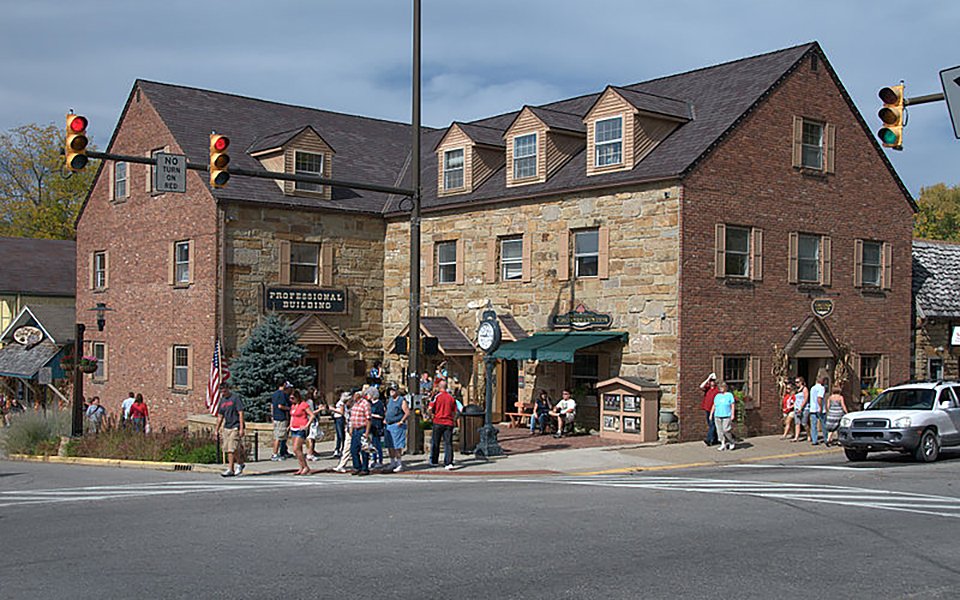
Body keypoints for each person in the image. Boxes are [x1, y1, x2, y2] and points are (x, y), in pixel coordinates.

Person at [216, 382, 246, 477]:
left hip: (235, 426)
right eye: (221, 392)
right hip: (227, 427)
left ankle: (230, 469)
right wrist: (216, 429)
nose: (223, 393)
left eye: (224, 391)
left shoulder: (235, 399)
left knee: (231, 449)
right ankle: (240, 463)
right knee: (231, 448)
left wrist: (241, 428)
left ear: (228, 389)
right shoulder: (222, 401)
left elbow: (241, 413)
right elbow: (220, 416)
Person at [428, 379, 458, 470]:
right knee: (448, 443)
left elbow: (430, 408)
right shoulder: (451, 397)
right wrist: (453, 419)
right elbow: (455, 411)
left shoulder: (436, 396)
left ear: (439, 387)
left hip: (438, 421)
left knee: (436, 442)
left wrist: (431, 416)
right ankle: (449, 462)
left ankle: (434, 460)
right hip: (448, 422)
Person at [289, 389, 316, 476]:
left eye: (293, 398)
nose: (291, 400)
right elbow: (292, 416)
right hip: (294, 428)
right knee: (298, 450)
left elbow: (312, 415)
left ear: (297, 397)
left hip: (301, 428)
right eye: (290, 398)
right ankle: (301, 467)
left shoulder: (304, 405)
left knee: (296, 448)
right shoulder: (293, 406)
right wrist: (290, 425)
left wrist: (306, 425)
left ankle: (306, 466)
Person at [384, 386, 410, 472]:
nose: (391, 392)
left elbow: (407, 413)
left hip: (396, 425)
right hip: (389, 425)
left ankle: (399, 463)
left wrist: (401, 421)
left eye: (393, 390)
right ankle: (392, 462)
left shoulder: (401, 400)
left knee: (397, 445)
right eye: (390, 390)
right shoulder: (390, 400)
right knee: (390, 445)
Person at [349, 389, 372, 476]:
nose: (353, 397)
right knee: (353, 450)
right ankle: (357, 466)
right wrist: (351, 428)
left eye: (354, 395)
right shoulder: (354, 404)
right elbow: (352, 417)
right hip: (355, 429)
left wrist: (367, 432)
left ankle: (365, 469)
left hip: (362, 429)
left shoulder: (365, 404)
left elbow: (368, 419)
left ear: (358, 395)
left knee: (364, 451)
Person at [711, 382, 736, 451]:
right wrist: (711, 414)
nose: (721, 389)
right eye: (720, 388)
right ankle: (723, 443)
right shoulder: (717, 396)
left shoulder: (729, 395)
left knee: (726, 430)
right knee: (719, 431)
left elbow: (732, 405)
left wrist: (732, 414)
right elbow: (714, 405)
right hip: (718, 415)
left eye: (722, 387)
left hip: (726, 415)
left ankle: (731, 441)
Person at [270, 378, 291, 461]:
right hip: (281, 417)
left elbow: (272, 405)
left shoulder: (274, 394)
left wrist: (272, 415)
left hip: (275, 417)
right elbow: (280, 406)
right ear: (284, 384)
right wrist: (289, 409)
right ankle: (275, 454)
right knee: (278, 437)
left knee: (278, 436)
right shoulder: (282, 394)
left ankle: (278, 453)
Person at [700, 373, 719, 446]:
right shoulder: (707, 388)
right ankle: (715, 439)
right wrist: (708, 378)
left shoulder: (717, 389)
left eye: (713, 381)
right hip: (707, 408)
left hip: (714, 409)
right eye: (711, 381)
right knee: (710, 424)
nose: (712, 383)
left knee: (712, 424)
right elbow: (701, 386)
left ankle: (709, 438)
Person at [368, 386, 386, 469]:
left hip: (377, 424)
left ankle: (380, 460)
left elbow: (381, 415)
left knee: (377, 443)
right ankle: (373, 459)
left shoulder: (379, 404)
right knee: (372, 444)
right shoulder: (370, 403)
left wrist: (372, 415)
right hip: (371, 425)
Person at [808, 375, 828, 445]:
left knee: (813, 425)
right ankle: (826, 439)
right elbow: (819, 398)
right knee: (823, 424)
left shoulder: (812, 388)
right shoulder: (821, 388)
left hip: (812, 409)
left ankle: (814, 440)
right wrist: (820, 407)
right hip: (819, 409)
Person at [331, 388, 349, 458]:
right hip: (336, 418)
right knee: (338, 435)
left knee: (341, 434)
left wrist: (333, 409)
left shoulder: (341, 402)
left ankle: (342, 449)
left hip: (340, 418)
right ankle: (337, 449)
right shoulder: (338, 401)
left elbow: (342, 412)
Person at [792, 376, 809, 442]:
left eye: (798, 382)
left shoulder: (805, 389)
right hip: (797, 407)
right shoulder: (796, 390)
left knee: (804, 423)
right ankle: (796, 437)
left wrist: (801, 407)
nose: (796, 384)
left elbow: (805, 398)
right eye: (795, 382)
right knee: (797, 423)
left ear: (801, 382)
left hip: (804, 408)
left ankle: (809, 435)